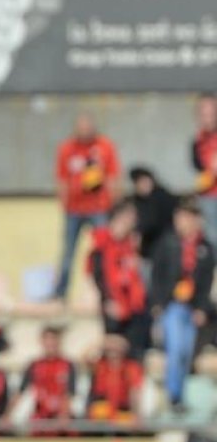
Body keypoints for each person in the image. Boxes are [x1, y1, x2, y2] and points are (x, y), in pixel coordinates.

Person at [149, 196, 214, 414]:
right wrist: (158, 302)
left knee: (187, 353)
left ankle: (181, 394)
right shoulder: (167, 243)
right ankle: (174, 395)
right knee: (175, 350)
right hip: (172, 306)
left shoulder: (205, 248)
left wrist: (201, 308)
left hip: (191, 307)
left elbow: (206, 283)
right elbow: (156, 276)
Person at [54, 112, 121, 300]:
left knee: (105, 249)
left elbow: (113, 176)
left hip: (99, 208)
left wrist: (113, 205)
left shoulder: (104, 146)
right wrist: (64, 204)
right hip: (74, 208)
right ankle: (61, 292)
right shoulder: (67, 148)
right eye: (81, 128)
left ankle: (108, 290)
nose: (84, 132)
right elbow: (61, 179)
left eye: (87, 127)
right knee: (68, 252)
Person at [87, 199, 150, 358]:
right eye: (129, 218)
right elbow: (98, 274)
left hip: (134, 304)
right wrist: (108, 299)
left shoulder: (131, 243)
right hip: (114, 303)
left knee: (135, 351)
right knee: (115, 350)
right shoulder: (103, 243)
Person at [18, 325, 77, 436]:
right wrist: (7, 417)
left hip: (60, 418)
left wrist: (64, 415)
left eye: (53, 339)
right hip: (40, 418)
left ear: (59, 342)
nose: (50, 343)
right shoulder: (34, 365)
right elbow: (20, 391)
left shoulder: (68, 365)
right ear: (42, 342)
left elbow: (69, 393)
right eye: (47, 339)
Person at [85, 334, 144, 427]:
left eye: (117, 347)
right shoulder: (100, 364)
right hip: (101, 412)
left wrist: (136, 415)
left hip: (122, 411)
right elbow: (85, 358)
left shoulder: (131, 366)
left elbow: (135, 391)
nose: (114, 351)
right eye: (111, 348)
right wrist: (100, 344)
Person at [129, 166, 177, 261]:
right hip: (147, 247)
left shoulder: (162, 196)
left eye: (146, 181)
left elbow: (154, 219)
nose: (144, 185)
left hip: (165, 240)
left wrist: (140, 231)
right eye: (140, 182)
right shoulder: (136, 201)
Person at [190, 93, 217, 240]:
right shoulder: (198, 140)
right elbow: (198, 167)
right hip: (208, 197)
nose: (207, 118)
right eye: (203, 114)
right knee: (211, 237)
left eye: (211, 114)